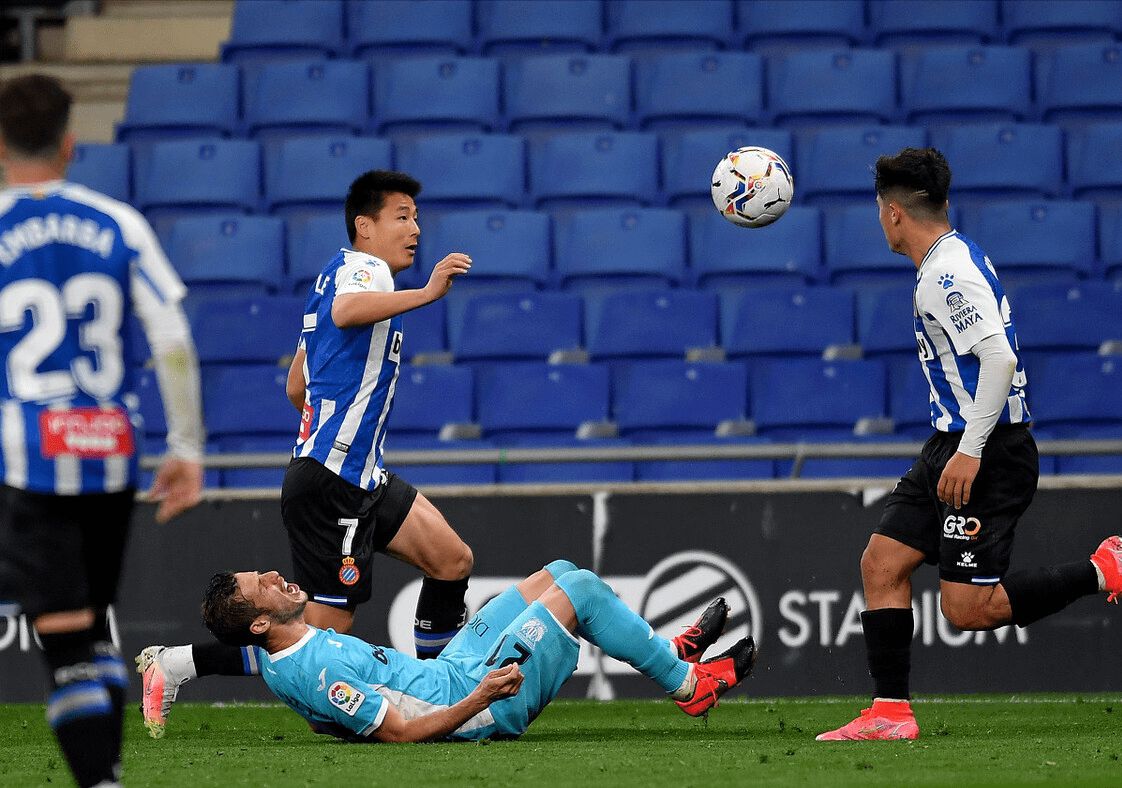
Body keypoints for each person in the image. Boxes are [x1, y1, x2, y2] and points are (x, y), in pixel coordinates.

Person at [137, 169, 477, 738]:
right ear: (364, 227)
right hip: (331, 482)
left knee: (452, 561)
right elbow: (346, 316)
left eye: (417, 217)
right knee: (317, 636)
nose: (415, 229)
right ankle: (174, 665)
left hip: (356, 474)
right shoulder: (362, 270)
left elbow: (298, 385)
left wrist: (336, 420)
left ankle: (439, 687)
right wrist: (429, 293)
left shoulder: (332, 281)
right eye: (402, 217)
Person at [816, 147, 1122, 742]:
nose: (881, 221)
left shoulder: (947, 273)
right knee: (882, 563)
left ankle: (1103, 568)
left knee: (966, 610)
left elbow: (1000, 358)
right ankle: (890, 713)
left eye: (880, 210)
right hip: (949, 444)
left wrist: (973, 448)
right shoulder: (943, 261)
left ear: (893, 213)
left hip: (985, 450)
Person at [0, 74, 205, 788]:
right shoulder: (118, 221)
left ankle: (101, 782)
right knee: (90, 629)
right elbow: (172, 336)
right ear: (69, 141)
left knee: (65, 645)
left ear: (0, 144)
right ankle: (109, 771)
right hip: (111, 450)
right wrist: (186, 448)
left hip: (28, 457)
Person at [200, 559, 756, 741]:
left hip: (449, 671)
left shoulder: (287, 654)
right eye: (261, 586)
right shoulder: (316, 669)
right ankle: (689, 685)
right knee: (580, 591)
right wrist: (482, 696)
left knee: (557, 573)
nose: (274, 574)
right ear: (260, 624)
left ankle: (665, 653)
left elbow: (332, 720)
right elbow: (398, 733)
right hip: (478, 697)